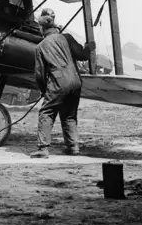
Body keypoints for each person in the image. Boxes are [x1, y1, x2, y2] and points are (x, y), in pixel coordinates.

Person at [31, 12, 96, 158]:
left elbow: (39, 74)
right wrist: (89, 47)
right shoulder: (67, 37)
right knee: (69, 115)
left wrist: (43, 91)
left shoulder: (41, 47)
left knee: (46, 112)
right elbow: (82, 55)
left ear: (42, 28)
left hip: (58, 82)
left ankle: (43, 149)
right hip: (76, 81)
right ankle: (73, 147)